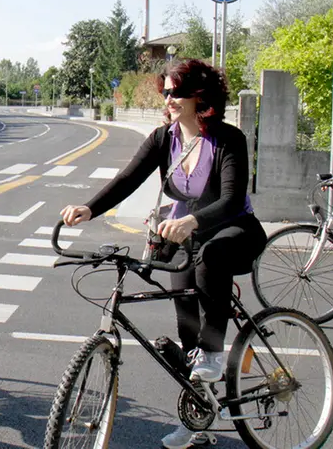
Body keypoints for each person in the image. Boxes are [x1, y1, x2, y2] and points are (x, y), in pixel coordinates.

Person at [60, 59, 266, 449]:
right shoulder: (164, 138)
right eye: (165, 92)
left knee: (211, 259)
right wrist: (90, 208)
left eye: (176, 92)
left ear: (199, 96)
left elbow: (230, 199)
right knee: (186, 320)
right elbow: (127, 178)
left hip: (235, 230)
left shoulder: (228, 139)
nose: (168, 99)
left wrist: (191, 221)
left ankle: (216, 354)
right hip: (184, 236)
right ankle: (198, 417)